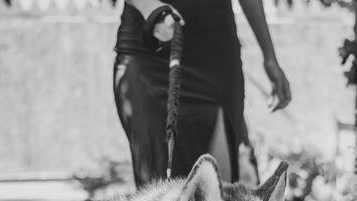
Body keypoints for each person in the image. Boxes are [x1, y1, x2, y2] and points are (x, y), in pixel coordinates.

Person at [113, 0, 291, 188]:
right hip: (149, 52)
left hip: (215, 55)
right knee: (160, 194)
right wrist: (149, 8)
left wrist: (269, 56)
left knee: (220, 193)